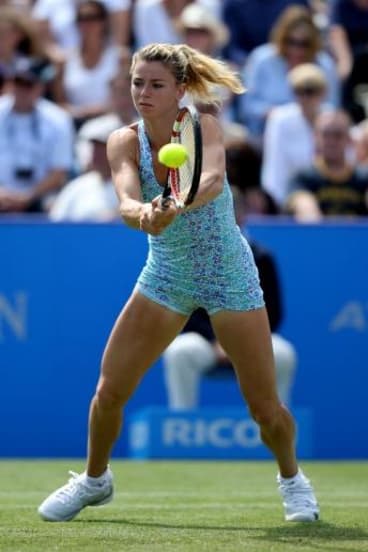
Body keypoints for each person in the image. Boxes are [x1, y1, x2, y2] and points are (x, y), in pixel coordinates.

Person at [38, 42, 319, 523]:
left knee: (265, 410)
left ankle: (292, 480)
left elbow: (209, 179)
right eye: (137, 83)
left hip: (228, 273)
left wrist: (177, 204)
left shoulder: (204, 126)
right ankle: (94, 479)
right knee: (109, 391)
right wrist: (145, 213)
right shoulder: (121, 141)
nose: (143, 93)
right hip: (167, 274)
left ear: (180, 90)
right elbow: (126, 200)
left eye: (156, 85)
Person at [164, 187, 297, 409]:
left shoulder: (263, 258)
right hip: (205, 343)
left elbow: (273, 312)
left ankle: (274, 429)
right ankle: (182, 425)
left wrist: (240, 342)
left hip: (252, 342)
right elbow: (185, 308)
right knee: (179, 351)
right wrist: (217, 341)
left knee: (283, 354)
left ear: (242, 214)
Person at [239, 5, 340, 143]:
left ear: (313, 43)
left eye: (304, 43)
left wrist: (307, 113)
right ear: (281, 38)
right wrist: (277, 115)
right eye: (290, 42)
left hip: (313, 138)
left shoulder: (324, 64)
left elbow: (332, 107)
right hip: (264, 136)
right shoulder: (261, 59)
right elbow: (248, 106)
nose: (296, 49)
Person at [0, 56, 74, 213]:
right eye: (17, 82)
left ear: (40, 87)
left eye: (28, 84)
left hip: (41, 197)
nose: (22, 89)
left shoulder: (58, 119)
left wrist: (29, 196)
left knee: (57, 206)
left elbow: (59, 171)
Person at [262, 62, 331, 207]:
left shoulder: (332, 118)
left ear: (323, 92)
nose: (305, 97)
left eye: (311, 91)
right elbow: (275, 165)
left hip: (328, 195)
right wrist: (275, 203)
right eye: (299, 91)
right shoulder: (280, 119)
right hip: (291, 197)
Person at [285, 109, 368, 220]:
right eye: (325, 134)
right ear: (315, 137)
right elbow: (304, 207)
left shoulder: (363, 177)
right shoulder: (303, 177)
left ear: (349, 139)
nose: (331, 141)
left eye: (338, 135)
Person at [48, 116, 121, 221]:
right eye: (95, 148)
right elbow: (56, 221)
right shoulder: (77, 187)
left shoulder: (137, 186)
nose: (97, 154)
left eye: (103, 148)